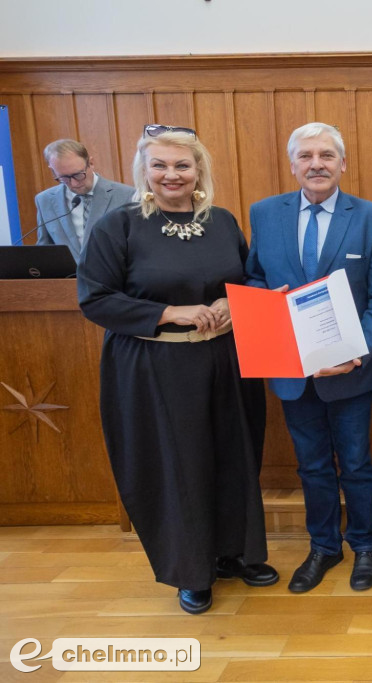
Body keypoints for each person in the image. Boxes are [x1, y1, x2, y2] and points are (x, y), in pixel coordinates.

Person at [77, 124, 275, 615]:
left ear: (199, 170)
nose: (172, 174)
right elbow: (95, 298)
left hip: (226, 359)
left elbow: (248, 278)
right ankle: (193, 570)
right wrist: (171, 313)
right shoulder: (118, 227)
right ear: (144, 171)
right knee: (179, 465)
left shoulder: (224, 222)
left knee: (234, 454)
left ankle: (237, 553)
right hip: (155, 367)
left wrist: (232, 304)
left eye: (182, 165)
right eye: (160, 165)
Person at [246, 122, 372, 594]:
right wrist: (268, 299)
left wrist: (355, 353)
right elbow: (252, 278)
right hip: (292, 371)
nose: (317, 163)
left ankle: (365, 546)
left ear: (342, 164)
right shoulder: (265, 214)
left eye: (327, 155)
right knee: (311, 466)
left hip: (350, 371)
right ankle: (323, 548)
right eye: (307, 156)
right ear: (293, 165)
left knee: (355, 464)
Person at [34, 139, 134, 263]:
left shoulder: (127, 195)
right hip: (68, 280)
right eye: (64, 178)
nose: (74, 183)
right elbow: (44, 249)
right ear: (53, 171)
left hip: (114, 279)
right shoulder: (45, 200)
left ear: (91, 163)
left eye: (78, 174)